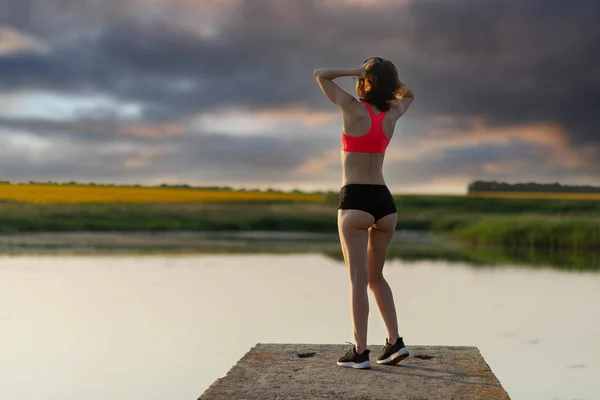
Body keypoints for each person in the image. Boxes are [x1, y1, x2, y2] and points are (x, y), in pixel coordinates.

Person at [313, 57, 415, 369]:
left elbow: (321, 74)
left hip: (355, 198)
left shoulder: (351, 108)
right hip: (385, 203)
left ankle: (360, 351)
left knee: (358, 279)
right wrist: (386, 79)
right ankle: (395, 342)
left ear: (365, 80)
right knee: (376, 276)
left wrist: (357, 71)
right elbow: (409, 94)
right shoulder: (392, 114)